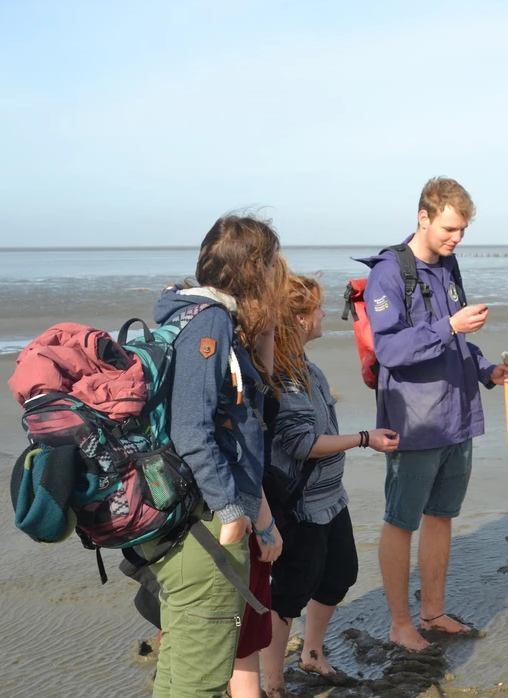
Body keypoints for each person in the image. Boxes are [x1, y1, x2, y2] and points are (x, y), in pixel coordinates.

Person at [358, 177, 508, 652]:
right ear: (423, 217)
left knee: (442, 516)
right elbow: (389, 349)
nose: (456, 238)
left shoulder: (450, 266)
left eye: (463, 230)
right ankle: (400, 623)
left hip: (458, 414)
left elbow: (459, 343)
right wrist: (449, 324)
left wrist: (489, 370)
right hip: (415, 420)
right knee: (400, 519)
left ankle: (434, 612)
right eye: (450, 229)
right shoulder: (389, 273)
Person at [146, 214, 284, 698]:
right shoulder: (210, 322)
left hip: (188, 518)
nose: (275, 275)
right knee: (200, 682)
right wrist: (231, 510)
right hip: (206, 527)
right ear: (252, 270)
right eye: (269, 264)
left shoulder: (191, 314)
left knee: (180, 674)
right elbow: (192, 428)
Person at [259, 274, 400, 695]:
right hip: (299, 504)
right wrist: (364, 439)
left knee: (341, 575)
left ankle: (312, 653)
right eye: (316, 309)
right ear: (299, 319)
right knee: (289, 593)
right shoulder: (284, 378)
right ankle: (273, 682)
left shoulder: (308, 369)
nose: (323, 315)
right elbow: (301, 445)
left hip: (330, 499)